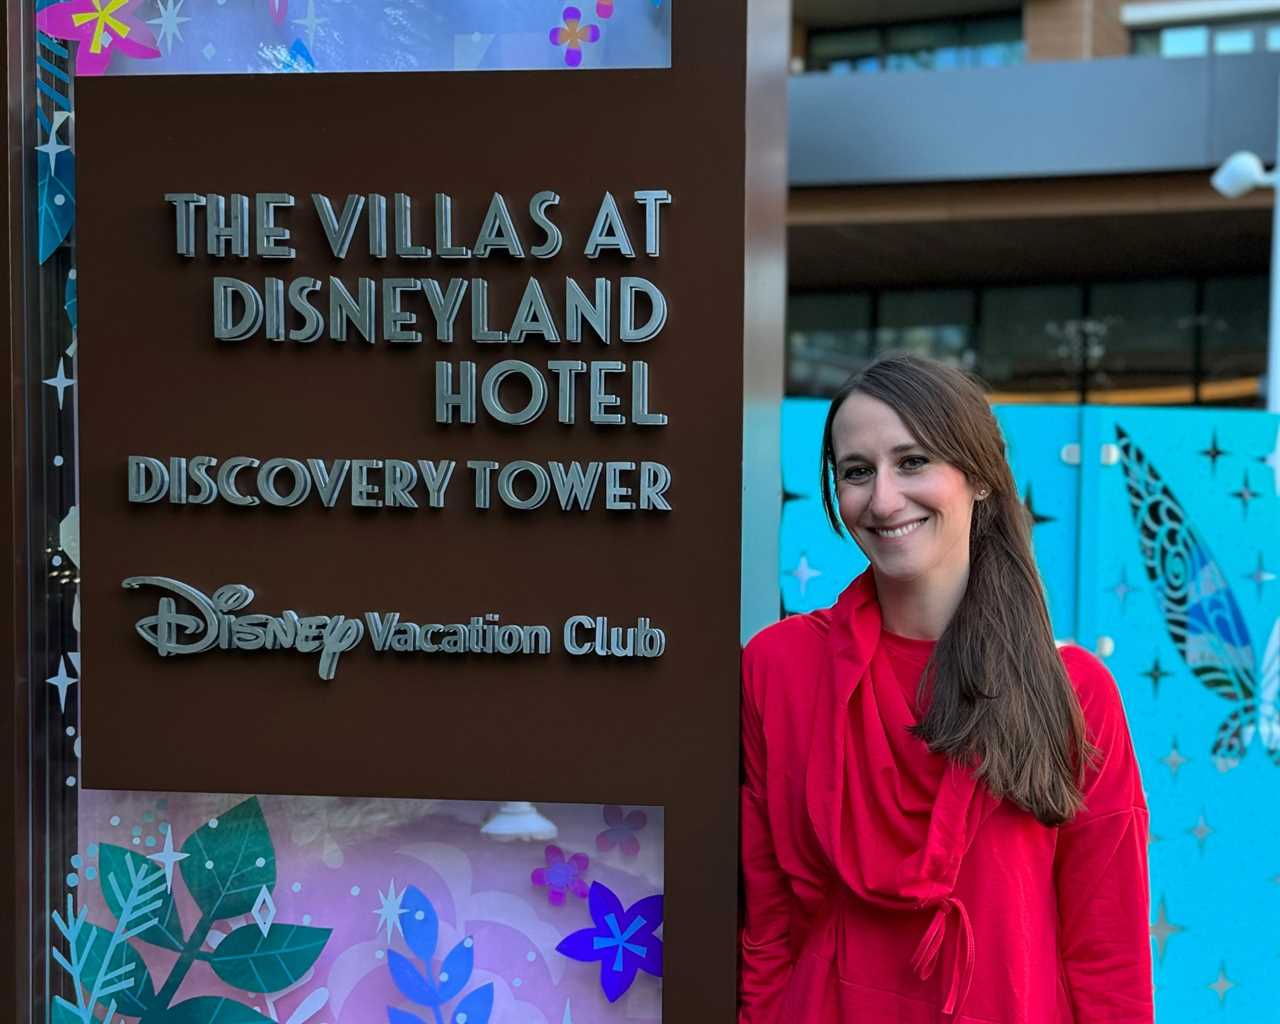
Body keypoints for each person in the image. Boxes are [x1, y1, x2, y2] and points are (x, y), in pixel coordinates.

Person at [739, 354, 1152, 1023]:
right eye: (856, 472)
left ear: (981, 477)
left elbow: (1109, 956)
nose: (883, 498)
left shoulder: (1074, 690)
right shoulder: (778, 668)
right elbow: (768, 921)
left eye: (913, 461)